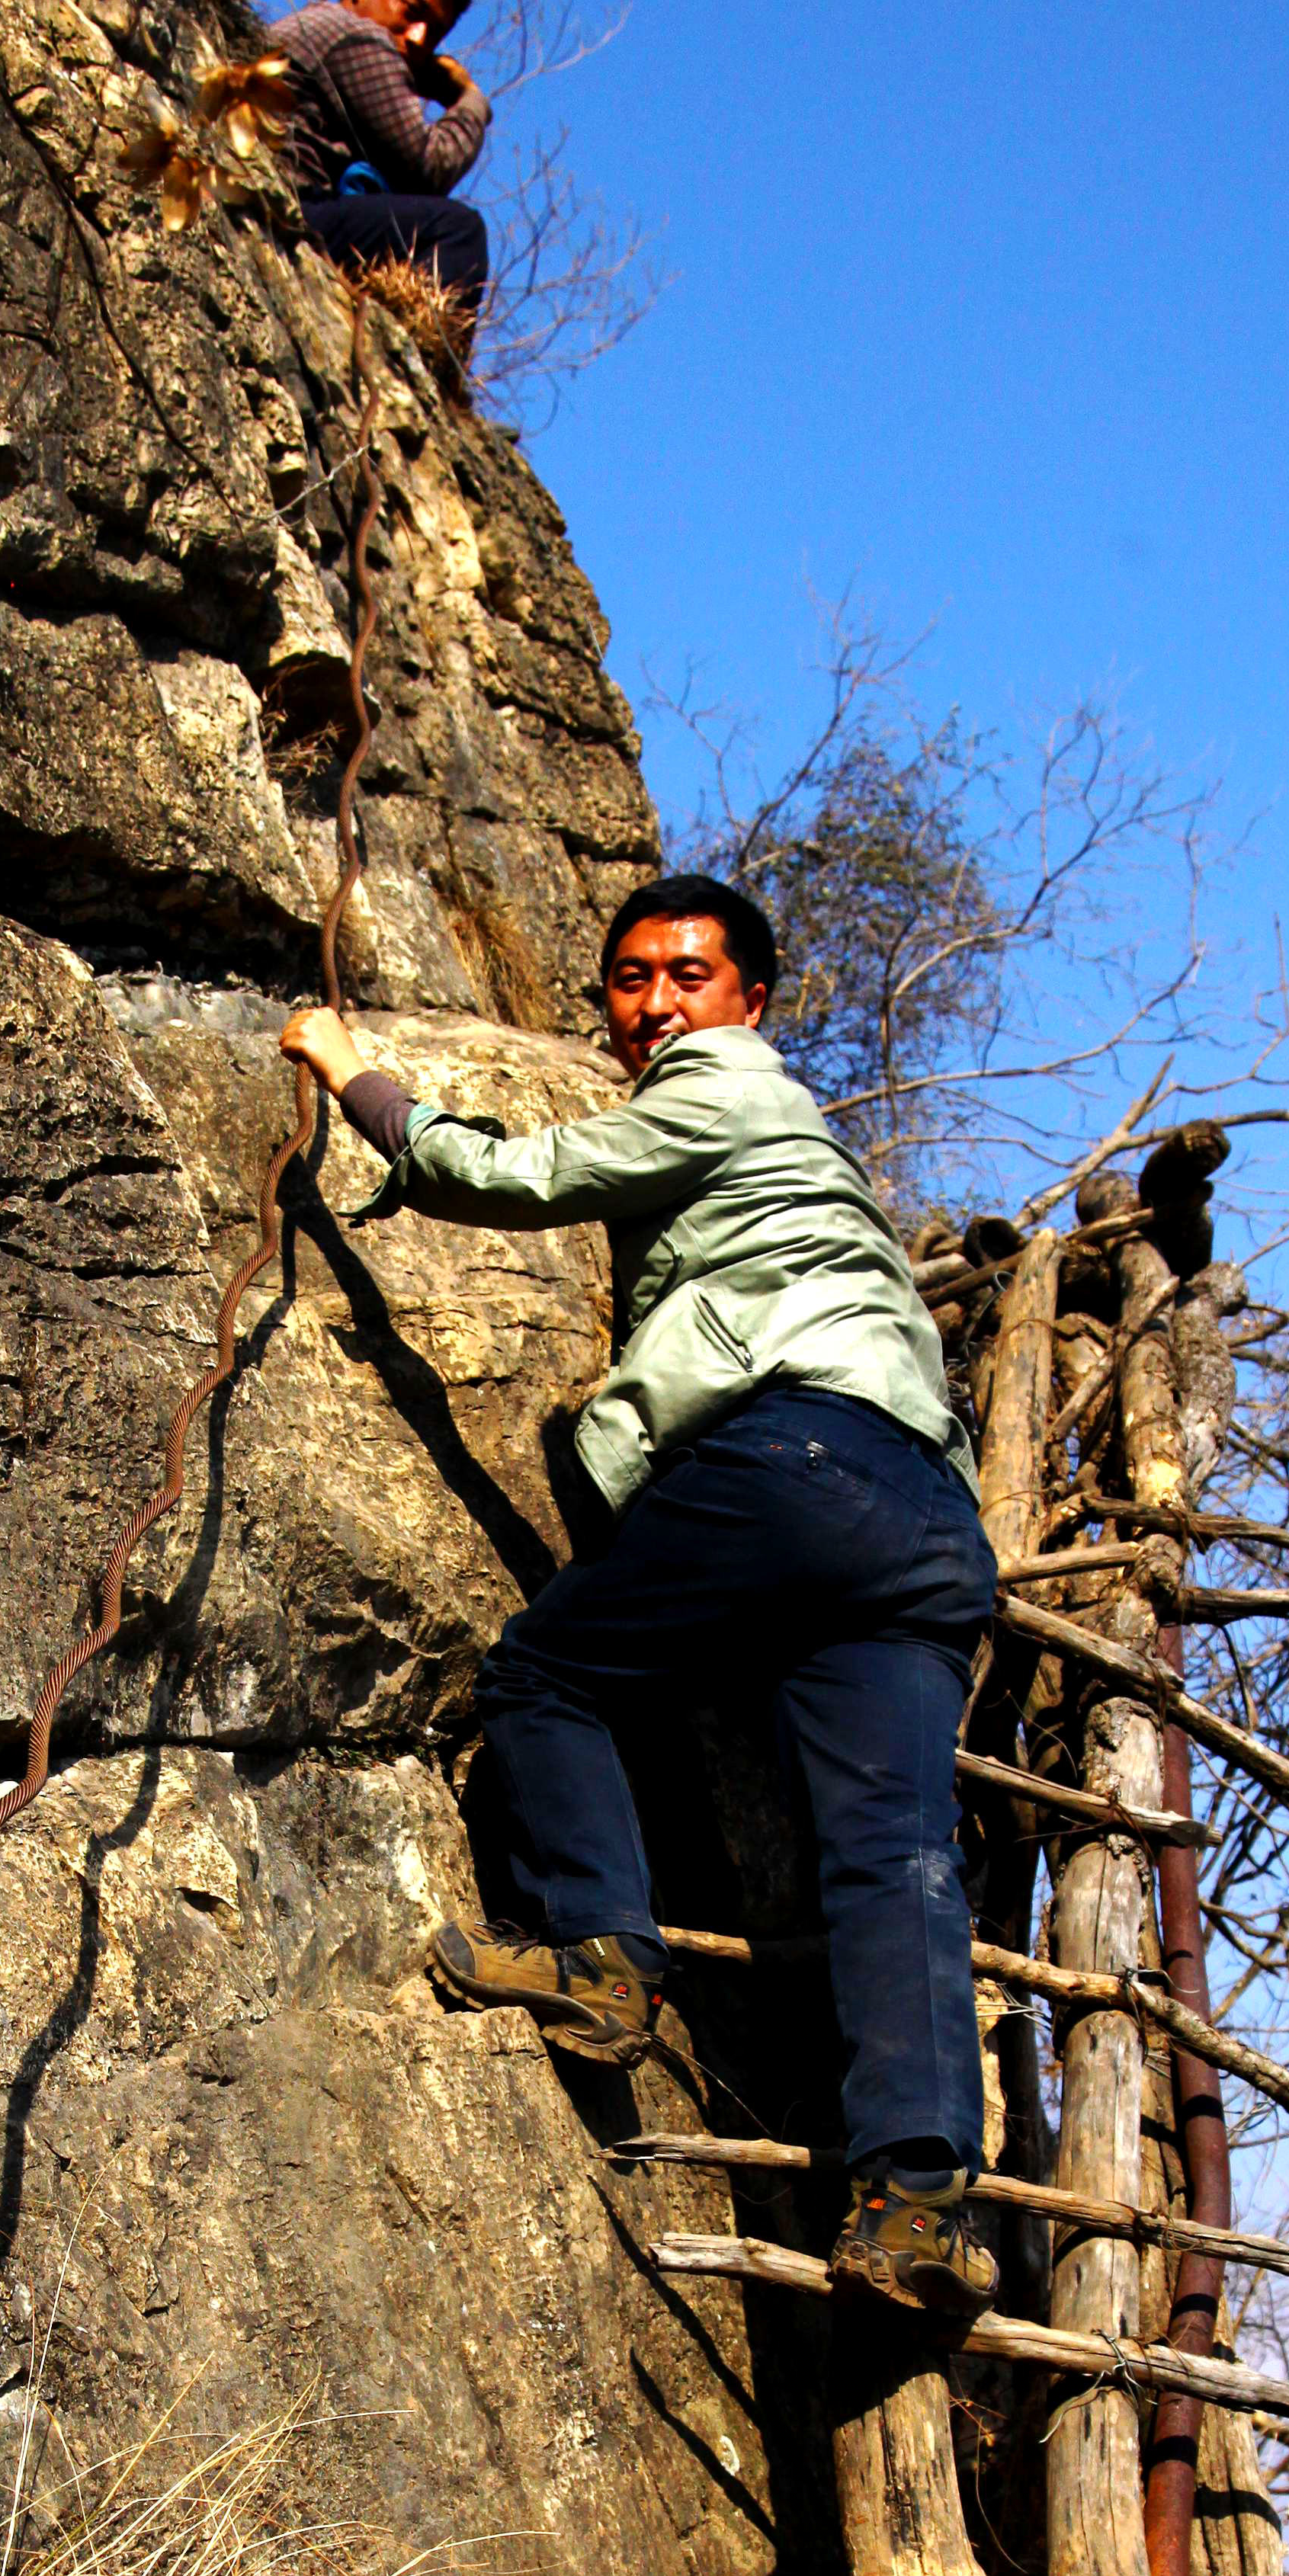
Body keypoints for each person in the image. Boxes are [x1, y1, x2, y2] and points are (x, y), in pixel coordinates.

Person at [281, 876, 1002, 2319]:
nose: (654, 1004)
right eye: (627, 980)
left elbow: (509, 1180)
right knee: (890, 1862)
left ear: (748, 1002)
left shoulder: (725, 1091)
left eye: (685, 975)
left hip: (802, 1458)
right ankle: (911, 2206)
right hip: (927, 1526)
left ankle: (599, 1957)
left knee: (546, 1676)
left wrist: (344, 1067)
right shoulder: (808, 1156)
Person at [271, 0, 492, 310]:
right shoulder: (357, 35)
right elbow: (427, 167)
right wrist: (471, 101)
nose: (420, 38)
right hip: (294, 206)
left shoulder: (318, 27)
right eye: (412, 10)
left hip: (282, 199)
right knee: (458, 231)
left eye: (435, 34)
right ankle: (422, 351)